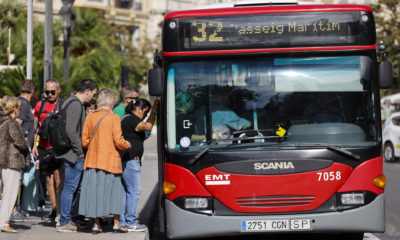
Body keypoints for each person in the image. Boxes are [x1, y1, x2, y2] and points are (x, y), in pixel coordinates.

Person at [79, 89, 131, 234]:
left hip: (93, 161)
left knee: (95, 193)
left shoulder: (90, 117)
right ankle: (116, 223)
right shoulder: (113, 118)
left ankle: (96, 225)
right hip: (110, 162)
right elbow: (119, 142)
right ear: (110, 102)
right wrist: (128, 145)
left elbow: (84, 142)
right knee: (114, 193)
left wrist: (97, 145)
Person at [57, 78, 98, 232]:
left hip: (72, 153)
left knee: (74, 187)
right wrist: (80, 151)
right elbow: (71, 131)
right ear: (87, 91)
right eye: (93, 94)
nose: (93, 98)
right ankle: (65, 221)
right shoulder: (75, 104)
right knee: (70, 187)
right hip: (74, 154)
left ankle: (68, 219)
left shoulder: (72, 102)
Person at [119, 98, 158, 232]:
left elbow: (140, 134)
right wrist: (154, 109)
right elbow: (147, 126)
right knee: (134, 191)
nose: (146, 116)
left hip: (126, 159)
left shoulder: (126, 119)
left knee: (125, 192)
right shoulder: (131, 119)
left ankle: (123, 221)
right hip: (131, 160)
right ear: (139, 109)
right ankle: (131, 222)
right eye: (145, 113)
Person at [32, 78, 63, 221]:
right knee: (48, 179)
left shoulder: (63, 105)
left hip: (57, 147)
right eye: (47, 92)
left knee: (58, 179)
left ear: (58, 90)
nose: (49, 95)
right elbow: (35, 127)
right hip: (43, 146)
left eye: (52, 92)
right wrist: (33, 146)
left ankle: (60, 210)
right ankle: (54, 209)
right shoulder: (40, 105)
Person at [0, 96, 29, 233]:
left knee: (5, 192)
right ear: (14, 108)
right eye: (19, 107)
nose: (20, 110)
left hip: (2, 161)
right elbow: (20, 143)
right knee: (10, 193)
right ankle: (4, 222)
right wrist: (26, 142)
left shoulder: (2, 122)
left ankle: (2, 220)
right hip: (12, 161)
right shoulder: (12, 124)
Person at [8, 80, 36, 222]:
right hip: (19, 149)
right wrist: (22, 143)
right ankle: (12, 209)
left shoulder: (20, 102)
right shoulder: (24, 105)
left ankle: (14, 208)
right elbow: (16, 124)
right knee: (17, 180)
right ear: (32, 92)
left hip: (20, 148)